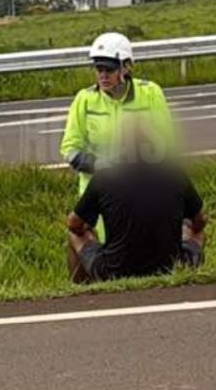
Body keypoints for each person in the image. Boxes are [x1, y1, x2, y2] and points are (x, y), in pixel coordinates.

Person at [59, 32, 175, 237]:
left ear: (126, 67)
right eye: (98, 69)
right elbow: (69, 148)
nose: (103, 75)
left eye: (109, 69)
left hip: (140, 187)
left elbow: (167, 143)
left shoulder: (150, 94)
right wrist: (99, 165)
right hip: (98, 193)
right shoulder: (85, 100)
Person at [66, 119, 207, 283]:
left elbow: (73, 224)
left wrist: (88, 227)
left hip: (114, 270)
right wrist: (186, 227)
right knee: (197, 232)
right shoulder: (174, 174)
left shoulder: (104, 177)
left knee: (75, 235)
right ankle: (192, 282)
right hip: (170, 266)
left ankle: (80, 290)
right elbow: (200, 220)